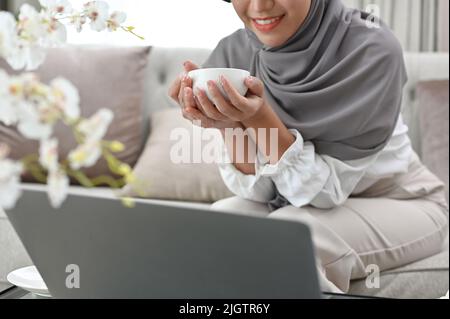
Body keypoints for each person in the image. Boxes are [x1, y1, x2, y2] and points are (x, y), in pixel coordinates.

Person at [169, 0, 448, 294]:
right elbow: (260, 192)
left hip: (402, 201)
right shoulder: (234, 54)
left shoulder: (369, 47)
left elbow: (322, 195)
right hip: (294, 199)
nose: (260, 5)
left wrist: (260, 118)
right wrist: (227, 124)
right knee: (219, 224)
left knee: (291, 236)